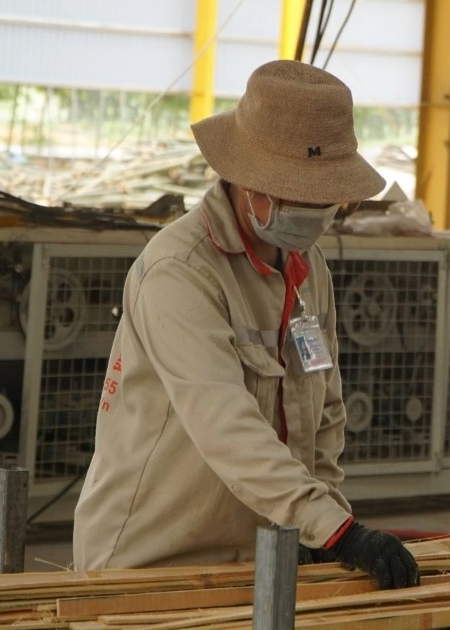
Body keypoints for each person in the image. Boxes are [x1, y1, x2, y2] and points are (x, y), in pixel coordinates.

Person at [72, 60, 420, 590]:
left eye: (325, 200)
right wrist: (337, 531)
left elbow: (324, 411)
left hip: (256, 557)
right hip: (152, 564)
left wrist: (319, 527)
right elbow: (225, 425)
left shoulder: (307, 266)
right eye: (301, 197)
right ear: (248, 184)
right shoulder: (180, 272)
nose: (315, 214)